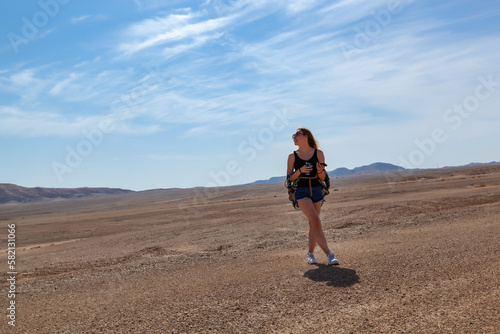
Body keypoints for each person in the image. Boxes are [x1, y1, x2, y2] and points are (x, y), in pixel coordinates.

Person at [286, 127, 339, 265]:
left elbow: (322, 176)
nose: (294, 137)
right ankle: (329, 254)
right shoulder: (292, 156)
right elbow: (289, 179)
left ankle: (310, 254)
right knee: (316, 221)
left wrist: (320, 171)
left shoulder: (318, 153)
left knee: (313, 223)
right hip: (301, 191)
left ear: (306, 136)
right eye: (293, 135)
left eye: (296, 134)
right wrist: (300, 171)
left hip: (316, 189)